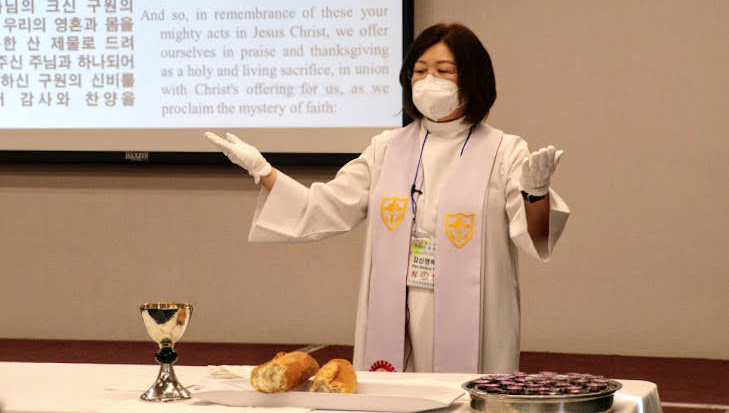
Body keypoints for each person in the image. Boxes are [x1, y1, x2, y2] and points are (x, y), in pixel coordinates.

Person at [205, 23, 569, 374]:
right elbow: (325, 206)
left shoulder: (503, 151)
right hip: (400, 304)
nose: (429, 81)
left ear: (473, 80)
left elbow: (535, 233)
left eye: (444, 71)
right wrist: (263, 171)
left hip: (476, 313)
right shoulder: (387, 149)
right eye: (420, 71)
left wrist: (535, 193)